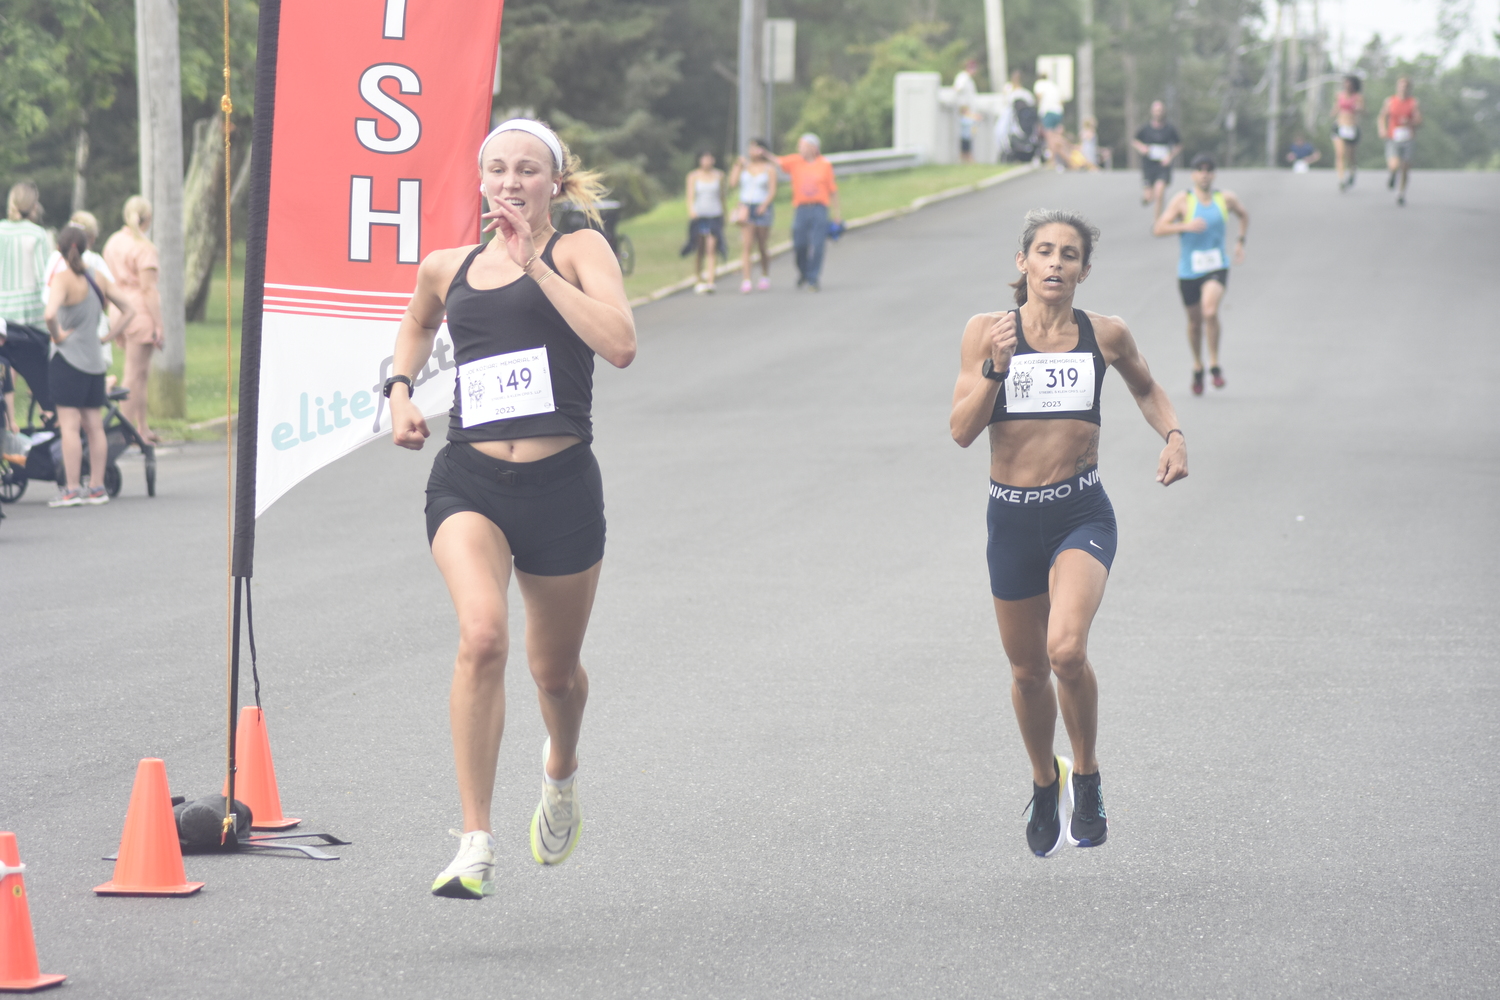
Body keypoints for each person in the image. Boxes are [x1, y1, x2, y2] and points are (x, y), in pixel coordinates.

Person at [385, 118, 636, 899]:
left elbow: (621, 343)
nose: (510, 182)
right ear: (482, 181)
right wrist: (398, 390)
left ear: (553, 184)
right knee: (483, 637)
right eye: (497, 169)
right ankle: (475, 839)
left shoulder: (578, 250)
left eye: (527, 170)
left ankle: (560, 773)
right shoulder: (446, 266)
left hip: (562, 491)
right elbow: (419, 321)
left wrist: (537, 267)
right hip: (470, 485)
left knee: (553, 673)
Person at [949, 208, 1188, 857]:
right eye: (1045, 251)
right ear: (1022, 263)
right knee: (1028, 672)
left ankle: (1086, 773)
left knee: (1065, 652)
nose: (1056, 263)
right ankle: (1043, 778)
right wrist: (997, 368)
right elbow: (961, 431)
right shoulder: (985, 332)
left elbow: (1147, 387)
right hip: (1012, 519)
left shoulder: (1104, 334)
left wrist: (1172, 435)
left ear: (1084, 269)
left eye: (1070, 254)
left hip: (1080, 512)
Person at [43, 225, 133, 507]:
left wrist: (57, 335)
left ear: (60, 249)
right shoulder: (98, 278)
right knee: (94, 425)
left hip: (68, 359)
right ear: (84, 248)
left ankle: (71, 489)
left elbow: (49, 314)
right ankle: (97, 487)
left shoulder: (62, 279)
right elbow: (130, 309)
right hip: (94, 361)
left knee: (69, 427)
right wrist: (109, 335)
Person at [1152, 153, 1250, 395]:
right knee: (1194, 322)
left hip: (1217, 266)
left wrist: (1240, 242)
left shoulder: (1225, 198)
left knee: (1209, 310)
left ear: (1214, 174)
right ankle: (1198, 365)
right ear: (1193, 174)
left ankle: (1214, 364)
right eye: (1200, 169)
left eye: (1209, 169)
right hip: (1189, 270)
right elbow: (1158, 228)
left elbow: (1244, 215)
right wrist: (1184, 225)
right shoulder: (1183, 200)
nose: (1204, 173)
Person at [102, 196, 164, 442]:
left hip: (117, 307)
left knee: (141, 373)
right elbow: (148, 290)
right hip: (138, 310)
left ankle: (142, 426)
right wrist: (158, 324)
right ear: (147, 219)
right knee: (135, 373)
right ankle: (126, 432)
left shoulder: (113, 242)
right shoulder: (145, 247)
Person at [0, 181, 56, 417]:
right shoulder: (37, 234)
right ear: (33, 205)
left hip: (3, 320)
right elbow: (46, 279)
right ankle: (52, 420)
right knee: (45, 386)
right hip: (30, 323)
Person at [778, 134, 843, 291]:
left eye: (803, 145)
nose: (800, 149)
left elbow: (833, 190)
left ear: (813, 148)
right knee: (800, 243)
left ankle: (813, 278)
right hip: (801, 208)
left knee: (818, 244)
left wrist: (837, 214)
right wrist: (763, 153)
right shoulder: (796, 162)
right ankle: (804, 272)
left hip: (819, 208)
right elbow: (777, 161)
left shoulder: (824, 165)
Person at [728, 139, 777, 293]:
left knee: (762, 244)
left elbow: (772, 190)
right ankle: (746, 278)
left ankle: (764, 274)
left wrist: (764, 205)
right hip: (746, 206)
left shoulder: (769, 168)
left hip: (762, 206)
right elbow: (732, 183)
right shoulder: (744, 167)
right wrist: (737, 165)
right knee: (747, 244)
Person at [685, 151, 725, 294]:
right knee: (700, 248)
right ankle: (698, 278)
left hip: (714, 214)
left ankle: (710, 281)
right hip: (699, 216)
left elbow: (722, 196)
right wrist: (691, 211)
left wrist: (724, 214)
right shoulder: (693, 176)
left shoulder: (719, 176)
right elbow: (690, 196)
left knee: (711, 247)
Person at [1132, 101, 1181, 215]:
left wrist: (1170, 156)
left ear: (1163, 112)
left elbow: (1179, 145)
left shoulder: (1169, 128)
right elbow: (1135, 140)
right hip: (1148, 165)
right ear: (1151, 112)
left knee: (1159, 193)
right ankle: (1148, 197)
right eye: (1155, 111)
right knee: (1149, 197)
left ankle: (1157, 221)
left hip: (1163, 166)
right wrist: (1142, 148)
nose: (1158, 113)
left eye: (1160, 111)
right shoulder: (1146, 128)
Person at [1378, 77, 1421, 207]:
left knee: (1405, 167)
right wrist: (1382, 129)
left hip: (1408, 138)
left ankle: (1401, 193)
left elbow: (1419, 121)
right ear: (1397, 87)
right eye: (1401, 86)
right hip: (1393, 137)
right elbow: (1382, 117)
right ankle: (1392, 175)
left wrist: (1411, 122)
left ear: (1409, 88)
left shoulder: (1413, 103)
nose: (1403, 88)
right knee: (1394, 164)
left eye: (1405, 86)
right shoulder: (1390, 101)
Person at [1032, 68, 1069, 171]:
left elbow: (1039, 96)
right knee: (1056, 137)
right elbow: (1062, 100)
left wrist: (1037, 107)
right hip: (1058, 111)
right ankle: (1066, 158)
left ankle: (1052, 161)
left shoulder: (1039, 84)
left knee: (1049, 137)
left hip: (1048, 112)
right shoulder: (1053, 85)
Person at [1332, 75, 1364, 192]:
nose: (1347, 85)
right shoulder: (1339, 95)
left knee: (1350, 156)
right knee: (1340, 154)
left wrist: (1358, 109)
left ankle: (1352, 171)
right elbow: (1335, 108)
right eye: (1346, 83)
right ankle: (1341, 179)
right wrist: (1334, 112)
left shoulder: (1358, 97)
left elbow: (1363, 110)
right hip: (1340, 126)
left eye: (1350, 83)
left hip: (1352, 128)